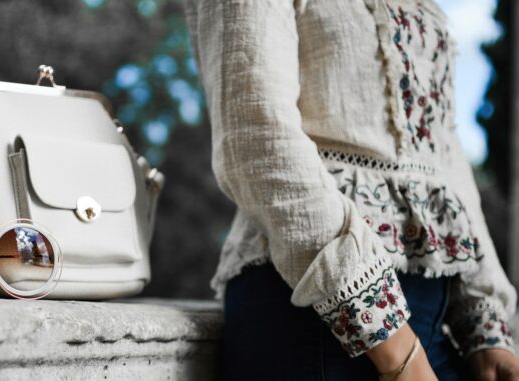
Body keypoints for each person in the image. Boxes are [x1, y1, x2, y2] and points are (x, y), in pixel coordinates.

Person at [183, 0, 519, 380]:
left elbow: (442, 155)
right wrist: (393, 346)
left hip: (432, 326)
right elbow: (254, 135)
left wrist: (482, 321)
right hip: (318, 316)